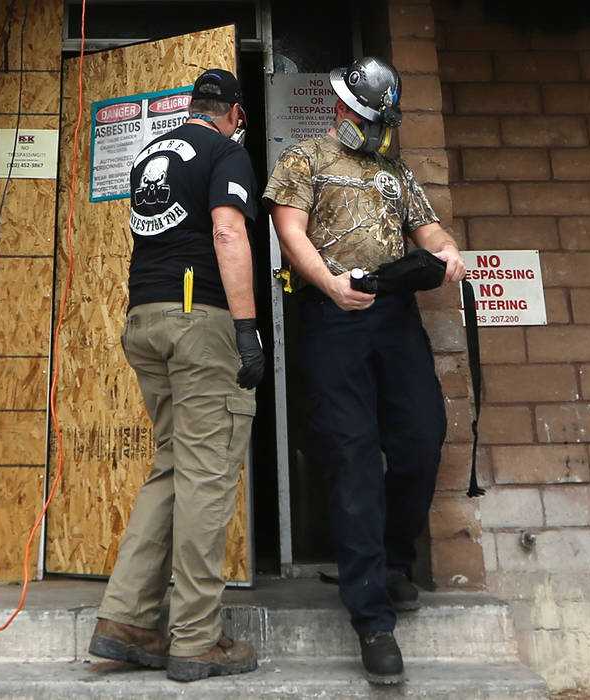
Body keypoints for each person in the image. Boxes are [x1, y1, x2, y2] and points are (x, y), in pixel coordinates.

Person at [263, 56, 466, 685]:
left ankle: (394, 561)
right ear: (342, 108)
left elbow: (431, 233)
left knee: (420, 438)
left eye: (381, 120)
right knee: (351, 454)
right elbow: (288, 231)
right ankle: (372, 619)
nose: (370, 128)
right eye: (365, 115)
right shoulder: (305, 159)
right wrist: (328, 285)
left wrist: (449, 255)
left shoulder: (397, 173)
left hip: (395, 317)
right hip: (334, 317)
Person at [88, 68, 264, 683]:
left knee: (171, 466)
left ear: (193, 106)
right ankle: (196, 638)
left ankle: (127, 619)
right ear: (235, 112)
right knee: (207, 472)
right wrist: (247, 328)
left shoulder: (149, 152)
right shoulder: (226, 152)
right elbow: (226, 229)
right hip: (200, 321)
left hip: (145, 319)